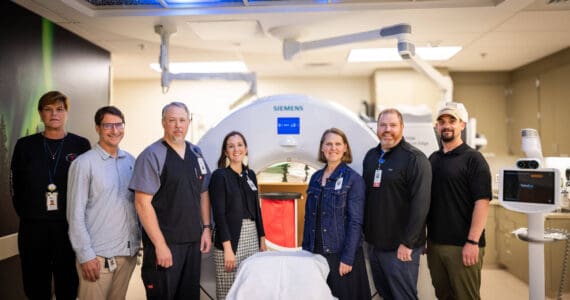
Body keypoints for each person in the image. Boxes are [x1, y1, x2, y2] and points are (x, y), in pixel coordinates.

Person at [10, 91, 91, 299]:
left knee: (69, 285)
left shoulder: (80, 145)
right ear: (40, 113)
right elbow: (15, 187)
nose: (54, 114)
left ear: (66, 113)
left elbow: (89, 188)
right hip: (33, 229)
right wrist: (30, 214)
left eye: (59, 109)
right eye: (48, 109)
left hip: (68, 228)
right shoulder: (25, 146)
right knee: (35, 286)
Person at [129, 101, 212, 300]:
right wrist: (160, 245)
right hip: (166, 244)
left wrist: (207, 228)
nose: (178, 125)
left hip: (192, 243)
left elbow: (203, 192)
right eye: (172, 120)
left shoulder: (195, 153)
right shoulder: (152, 155)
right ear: (163, 123)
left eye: (182, 120)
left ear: (189, 122)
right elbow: (142, 203)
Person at [67, 106, 141, 299]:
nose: (115, 130)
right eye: (108, 125)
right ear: (98, 128)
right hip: (97, 257)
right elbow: (74, 215)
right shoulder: (84, 164)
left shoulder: (131, 162)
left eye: (119, 125)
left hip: (127, 255)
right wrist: (85, 255)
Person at [362, 108, 432, 300]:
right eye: (383, 125)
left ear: (402, 127)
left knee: (403, 297)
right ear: (377, 128)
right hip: (375, 246)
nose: (387, 129)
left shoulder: (415, 159)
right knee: (385, 294)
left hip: (400, 248)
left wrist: (408, 243)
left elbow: (421, 204)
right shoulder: (371, 157)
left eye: (393, 125)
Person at [426, 102, 492, 300]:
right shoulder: (433, 159)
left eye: (452, 121)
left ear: (462, 125)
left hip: (463, 245)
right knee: (443, 296)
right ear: (437, 127)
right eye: (442, 121)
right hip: (436, 245)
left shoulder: (474, 159)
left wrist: (472, 241)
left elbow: (482, 202)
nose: (446, 125)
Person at [302, 127, 370, 300]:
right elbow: (308, 218)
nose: (333, 148)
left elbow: (355, 222)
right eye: (329, 144)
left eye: (338, 144)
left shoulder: (353, 179)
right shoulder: (315, 177)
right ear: (322, 148)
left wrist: (347, 258)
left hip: (340, 254)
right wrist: (305, 252)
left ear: (345, 148)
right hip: (316, 252)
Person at [209, 131, 267, 299]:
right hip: (230, 238)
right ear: (225, 152)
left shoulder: (251, 175)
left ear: (246, 149)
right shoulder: (220, 176)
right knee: (229, 290)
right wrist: (228, 248)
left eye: (240, 145)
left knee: (250, 288)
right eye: (231, 146)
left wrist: (262, 239)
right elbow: (219, 215)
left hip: (251, 237)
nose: (236, 149)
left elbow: (257, 208)